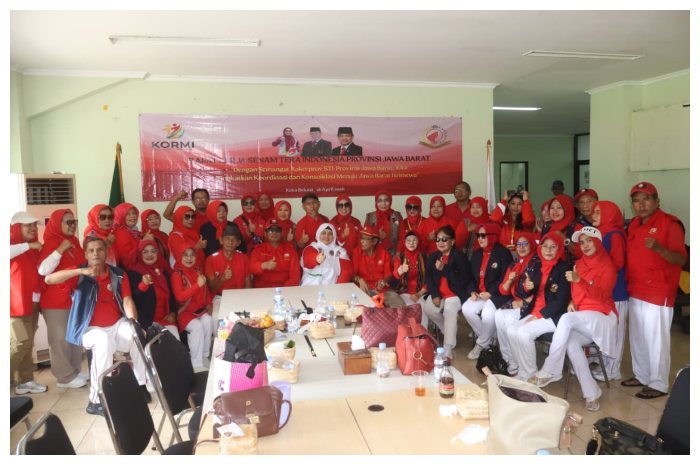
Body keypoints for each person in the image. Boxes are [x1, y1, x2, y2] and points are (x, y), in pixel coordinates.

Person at [46, 237, 149, 416]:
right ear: (86, 254)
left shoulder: (118, 274)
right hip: (88, 329)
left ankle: (140, 385)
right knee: (103, 341)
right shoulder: (79, 273)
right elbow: (49, 279)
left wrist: (134, 323)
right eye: (91, 250)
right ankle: (96, 400)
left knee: (136, 334)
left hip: (116, 325)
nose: (95, 253)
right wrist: (81, 271)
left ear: (106, 252)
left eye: (100, 249)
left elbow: (127, 299)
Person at [529, 227, 618, 412]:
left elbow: (603, 296)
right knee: (570, 343)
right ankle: (592, 394)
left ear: (598, 242)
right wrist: (571, 301)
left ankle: (550, 369)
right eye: (582, 242)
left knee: (566, 319)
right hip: (582, 317)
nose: (585, 245)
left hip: (601, 316)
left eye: (589, 240)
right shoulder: (578, 264)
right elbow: (573, 292)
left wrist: (580, 281)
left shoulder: (608, 266)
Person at [622, 182, 686, 399]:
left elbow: (680, 258)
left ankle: (658, 383)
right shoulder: (634, 225)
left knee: (656, 339)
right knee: (638, 337)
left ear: (657, 201)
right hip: (636, 287)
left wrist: (660, 249)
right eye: (636, 200)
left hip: (658, 290)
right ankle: (642, 375)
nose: (641, 204)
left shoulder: (670, 224)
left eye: (646, 199)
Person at [498, 233, 572, 381]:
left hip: (552, 315)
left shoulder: (564, 268)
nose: (548, 250)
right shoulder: (538, 266)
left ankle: (530, 373)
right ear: (540, 248)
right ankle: (522, 370)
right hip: (534, 310)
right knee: (511, 330)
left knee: (524, 333)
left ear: (559, 249)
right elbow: (531, 291)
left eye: (553, 247)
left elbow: (562, 300)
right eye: (545, 246)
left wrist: (539, 315)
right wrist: (528, 287)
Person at [38, 209, 88, 389]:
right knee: (60, 340)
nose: (72, 225)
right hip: (56, 301)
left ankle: (74, 370)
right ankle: (64, 377)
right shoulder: (52, 243)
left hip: (74, 298)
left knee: (74, 336)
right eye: (68, 222)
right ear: (56, 224)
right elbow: (43, 270)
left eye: (74, 221)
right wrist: (60, 249)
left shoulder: (74, 242)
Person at [462, 223, 514, 359]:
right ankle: (489, 340)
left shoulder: (503, 253)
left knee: (488, 313)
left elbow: (505, 277)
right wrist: (473, 291)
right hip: (480, 293)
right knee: (467, 308)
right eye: (478, 235)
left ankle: (481, 344)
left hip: (497, 294)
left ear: (493, 236)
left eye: (483, 236)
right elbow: (471, 277)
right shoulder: (476, 254)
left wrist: (490, 292)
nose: (479, 238)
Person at [10, 212, 48, 395]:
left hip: (31, 303)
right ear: (17, 228)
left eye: (34, 225)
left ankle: (25, 381)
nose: (33, 228)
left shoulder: (32, 249)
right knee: (20, 343)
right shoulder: (13, 246)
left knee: (27, 343)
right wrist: (28, 245)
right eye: (28, 225)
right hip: (14, 305)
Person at [591, 200, 628, 381]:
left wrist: (597, 271)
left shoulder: (615, 235)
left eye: (598, 212)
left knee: (616, 330)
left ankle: (614, 368)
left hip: (617, 291)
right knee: (606, 329)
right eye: (594, 212)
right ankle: (606, 363)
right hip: (605, 291)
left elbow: (617, 263)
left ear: (609, 214)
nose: (593, 215)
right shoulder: (600, 235)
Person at [422, 225, 472, 358]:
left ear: (452, 241)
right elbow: (429, 278)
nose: (440, 242)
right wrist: (435, 295)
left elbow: (463, 280)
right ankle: (448, 329)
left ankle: (448, 346)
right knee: (428, 308)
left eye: (444, 239)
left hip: (455, 294)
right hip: (440, 293)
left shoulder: (460, 257)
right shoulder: (434, 256)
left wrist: (445, 269)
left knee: (449, 309)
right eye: (438, 239)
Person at [494, 232, 539, 376]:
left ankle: (517, 361)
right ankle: (507, 358)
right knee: (498, 314)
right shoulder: (515, 263)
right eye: (518, 244)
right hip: (517, 301)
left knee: (510, 320)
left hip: (532, 304)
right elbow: (503, 290)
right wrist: (509, 280)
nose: (521, 247)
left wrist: (523, 302)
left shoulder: (537, 263)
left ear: (531, 244)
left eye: (525, 243)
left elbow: (541, 292)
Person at [170, 243, 213, 370]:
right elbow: (179, 297)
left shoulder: (197, 271)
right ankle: (196, 363)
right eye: (185, 255)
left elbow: (206, 291)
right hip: (185, 313)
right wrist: (196, 286)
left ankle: (205, 356)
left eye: (192, 255)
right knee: (197, 326)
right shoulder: (176, 275)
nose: (189, 258)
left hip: (199, 311)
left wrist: (209, 304)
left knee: (208, 320)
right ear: (179, 256)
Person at [126, 240, 179, 339]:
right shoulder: (133, 273)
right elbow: (132, 300)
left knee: (175, 343)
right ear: (139, 253)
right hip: (146, 323)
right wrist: (143, 286)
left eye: (153, 251)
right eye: (145, 251)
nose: (150, 255)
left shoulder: (163, 272)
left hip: (165, 320)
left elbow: (172, 296)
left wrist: (173, 313)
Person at [206, 225, 252, 321]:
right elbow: (211, 287)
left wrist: (245, 298)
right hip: (219, 297)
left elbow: (248, 282)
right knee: (215, 316)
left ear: (238, 243)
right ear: (221, 240)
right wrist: (222, 278)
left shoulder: (244, 258)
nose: (230, 242)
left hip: (239, 295)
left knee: (247, 316)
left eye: (233, 240)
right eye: (227, 239)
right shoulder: (211, 259)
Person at [351, 226, 404, 308]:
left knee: (400, 305)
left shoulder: (384, 253)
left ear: (374, 241)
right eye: (361, 238)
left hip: (384, 290)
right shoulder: (356, 252)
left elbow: (389, 275)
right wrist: (359, 279)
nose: (361, 241)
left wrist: (384, 280)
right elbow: (352, 275)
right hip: (365, 290)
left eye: (365, 239)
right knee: (371, 308)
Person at [250, 219, 301, 288]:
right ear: (265, 234)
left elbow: (295, 278)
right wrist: (264, 265)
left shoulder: (291, 251)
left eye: (277, 230)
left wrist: (281, 290)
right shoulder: (257, 250)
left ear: (282, 233)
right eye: (270, 230)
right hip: (261, 289)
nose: (274, 233)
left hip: (285, 290)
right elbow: (251, 268)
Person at [490, 190, 536, 255]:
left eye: (519, 204)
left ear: (524, 206)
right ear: (508, 205)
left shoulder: (526, 221)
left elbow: (529, 220)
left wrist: (526, 201)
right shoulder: (503, 219)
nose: (516, 206)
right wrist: (504, 200)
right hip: (503, 255)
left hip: (522, 255)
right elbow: (494, 218)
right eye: (513, 203)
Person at [393, 232, 428, 308]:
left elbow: (430, 278)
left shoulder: (425, 257)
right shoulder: (400, 258)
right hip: (405, 291)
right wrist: (401, 270)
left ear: (418, 241)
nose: (411, 243)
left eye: (414, 240)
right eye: (408, 240)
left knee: (424, 308)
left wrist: (420, 293)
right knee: (409, 308)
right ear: (404, 242)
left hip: (422, 292)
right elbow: (395, 274)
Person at [364, 190, 403, 257]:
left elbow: (402, 237)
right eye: (380, 201)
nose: (383, 204)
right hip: (374, 253)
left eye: (386, 200)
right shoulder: (370, 217)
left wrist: (398, 253)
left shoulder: (397, 216)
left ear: (390, 201)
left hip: (393, 253)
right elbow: (364, 237)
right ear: (376, 202)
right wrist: (377, 234)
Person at [540, 195, 576, 263]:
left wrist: (564, 238)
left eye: (559, 208)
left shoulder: (575, 227)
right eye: (552, 208)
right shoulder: (547, 226)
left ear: (567, 208)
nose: (555, 211)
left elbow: (579, 253)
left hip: (568, 267)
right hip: (547, 266)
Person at [566, 188, 599, 259]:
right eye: (581, 202)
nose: (585, 206)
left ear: (597, 203)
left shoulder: (606, 223)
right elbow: (579, 253)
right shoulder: (575, 227)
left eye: (589, 201)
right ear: (578, 206)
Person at [110, 203, 144, 270]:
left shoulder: (133, 232)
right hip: (131, 271)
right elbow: (126, 260)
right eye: (127, 214)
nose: (132, 216)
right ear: (121, 215)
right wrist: (144, 242)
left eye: (134, 213)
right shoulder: (120, 232)